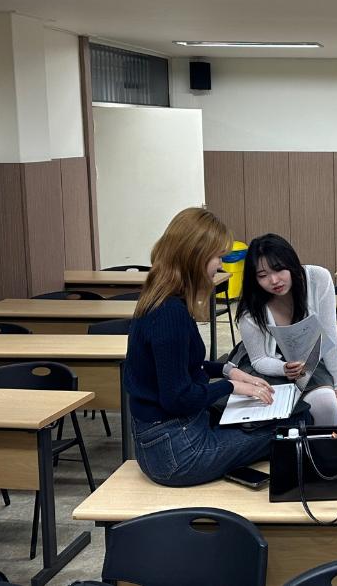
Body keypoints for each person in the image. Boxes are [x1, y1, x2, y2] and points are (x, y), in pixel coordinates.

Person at [124, 208, 289, 487]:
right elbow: (177, 398)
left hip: (164, 441)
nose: (220, 266)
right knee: (292, 424)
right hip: (178, 451)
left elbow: (181, 364)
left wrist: (228, 370)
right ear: (195, 257)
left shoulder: (162, 298)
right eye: (217, 257)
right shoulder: (170, 314)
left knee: (259, 417)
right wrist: (231, 386)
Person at [237, 233, 337, 425]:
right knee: (274, 409)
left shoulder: (317, 279)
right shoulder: (250, 311)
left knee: (326, 404)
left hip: (308, 359)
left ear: (291, 263)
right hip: (269, 365)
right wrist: (283, 368)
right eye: (262, 275)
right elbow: (259, 359)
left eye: (279, 269)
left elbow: (329, 334)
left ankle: (331, 444)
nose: (274, 280)